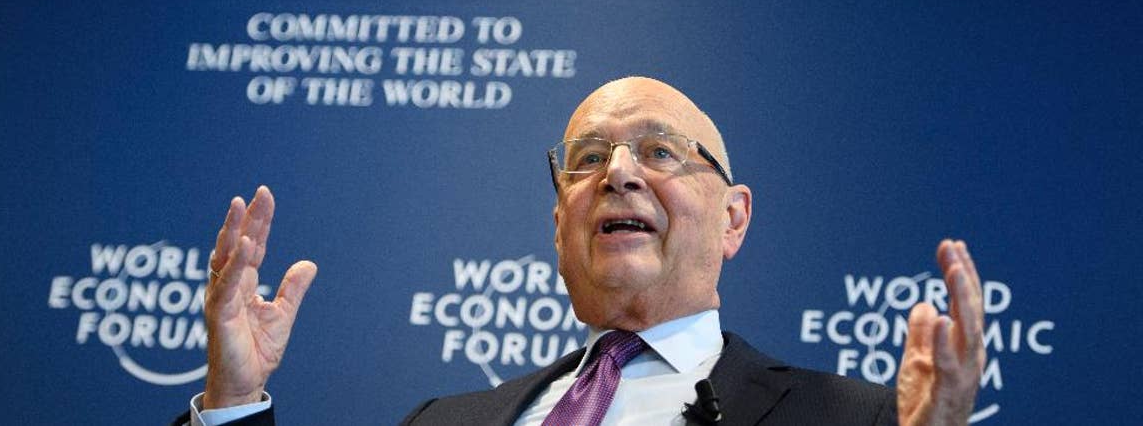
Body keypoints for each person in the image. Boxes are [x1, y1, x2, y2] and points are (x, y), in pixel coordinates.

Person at [178, 77, 985, 425]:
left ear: (734, 218)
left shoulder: (858, 418)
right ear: (558, 221)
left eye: (661, 152)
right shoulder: (445, 419)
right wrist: (233, 395)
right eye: (588, 157)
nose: (619, 174)